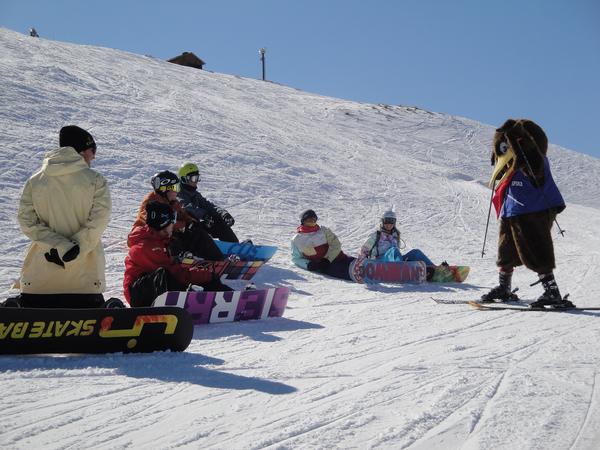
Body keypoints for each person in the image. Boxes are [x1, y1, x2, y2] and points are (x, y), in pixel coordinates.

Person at [11, 125, 112, 308]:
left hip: (39, 282)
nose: (94, 156)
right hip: (83, 284)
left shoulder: (35, 182)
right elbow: (97, 223)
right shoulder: (96, 181)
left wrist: (60, 246)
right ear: (81, 151)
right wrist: (73, 251)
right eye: (92, 150)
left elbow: (27, 222)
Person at [483, 118, 572, 308]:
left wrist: (521, 143)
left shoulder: (534, 159)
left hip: (534, 209)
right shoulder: (509, 165)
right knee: (506, 250)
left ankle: (552, 291)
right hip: (513, 210)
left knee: (536, 248)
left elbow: (536, 172)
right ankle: (504, 287)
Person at [124, 201, 233, 307]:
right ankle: (221, 298)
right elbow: (176, 273)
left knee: (203, 280)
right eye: (173, 221)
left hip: (151, 289)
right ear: (164, 223)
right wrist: (205, 275)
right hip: (138, 295)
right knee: (168, 275)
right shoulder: (147, 246)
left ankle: (227, 296)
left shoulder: (159, 240)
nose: (174, 225)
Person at [131, 170, 224, 261]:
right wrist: (182, 225)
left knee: (197, 230)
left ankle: (216, 258)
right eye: (175, 188)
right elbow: (154, 222)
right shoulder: (151, 203)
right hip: (149, 239)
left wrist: (191, 222)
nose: (177, 192)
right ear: (165, 189)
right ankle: (179, 258)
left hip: (165, 236)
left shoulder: (172, 201)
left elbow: (182, 214)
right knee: (173, 236)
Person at [358, 210, 443, 280]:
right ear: (383, 222)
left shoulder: (395, 235)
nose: (389, 224)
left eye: (391, 221)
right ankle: (403, 271)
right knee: (394, 250)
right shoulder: (377, 235)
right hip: (381, 261)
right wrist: (362, 264)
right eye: (387, 221)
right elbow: (364, 249)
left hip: (395, 262)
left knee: (416, 252)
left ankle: (436, 270)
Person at [177, 162, 239, 243]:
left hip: (194, 228)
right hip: (182, 231)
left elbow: (208, 206)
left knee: (218, 220)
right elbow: (187, 208)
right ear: (184, 179)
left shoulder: (195, 194)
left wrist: (223, 214)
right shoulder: (177, 193)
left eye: (197, 178)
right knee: (199, 223)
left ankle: (234, 245)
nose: (196, 181)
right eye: (193, 178)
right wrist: (205, 215)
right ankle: (208, 247)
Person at [291, 209, 355, 280]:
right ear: (303, 222)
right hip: (325, 267)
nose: (312, 223)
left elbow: (336, 244)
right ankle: (357, 275)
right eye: (309, 221)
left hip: (339, 257)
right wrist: (308, 264)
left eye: (314, 220)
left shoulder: (324, 231)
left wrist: (327, 259)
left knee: (354, 263)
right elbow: (296, 258)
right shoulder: (297, 239)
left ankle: (364, 264)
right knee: (345, 271)